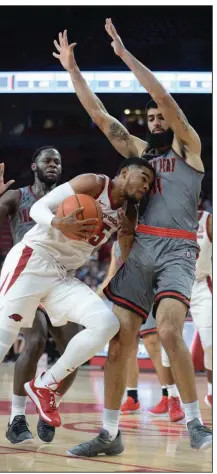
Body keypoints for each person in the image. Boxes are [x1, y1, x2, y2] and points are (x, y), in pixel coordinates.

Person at [0, 155, 155, 453]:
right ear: (124, 173)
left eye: (150, 182)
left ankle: (46, 384)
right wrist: (59, 222)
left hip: (63, 276)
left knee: (107, 323)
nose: (145, 185)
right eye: (142, 177)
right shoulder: (94, 183)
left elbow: (125, 253)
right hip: (33, 261)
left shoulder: (128, 214)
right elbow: (38, 208)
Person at [53, 21, 212, 455]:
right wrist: (73, 70)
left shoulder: (190, 147)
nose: (157, 118)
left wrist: (123, 55)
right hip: (141, 248)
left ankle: (196, 422)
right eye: (151, 117)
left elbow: (164, 96)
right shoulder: (141, 158)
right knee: (121, 340)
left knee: (169, 330)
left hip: (178, 248)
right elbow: (102, 118)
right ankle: (109, 433)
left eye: (161, 116)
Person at [0, 146, 83, 444]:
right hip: (26, 278)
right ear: (34, 166)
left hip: (59, 279)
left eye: (58, 161)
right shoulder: (17, 196)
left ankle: (50, 405)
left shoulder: (70, 197)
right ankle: (17, 418)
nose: (53, 164)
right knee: (35, 341)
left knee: (76, 349)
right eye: (47, 160)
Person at [98, 241, 185, 422]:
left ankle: (168, 396)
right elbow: (112, 274)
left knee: (152, 343)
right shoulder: (116, 245)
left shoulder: (147, 238)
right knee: (126, 346)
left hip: (148, 293)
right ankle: (132, 398)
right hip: (125, 297)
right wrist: (96, 294)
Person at [162, 201, 212, 408]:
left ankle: (211, 393)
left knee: (211, 342)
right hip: (175, 283)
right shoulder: (167, 221)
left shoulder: (208, 220)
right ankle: (172, 397)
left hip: (201, 285)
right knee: (168, 336)